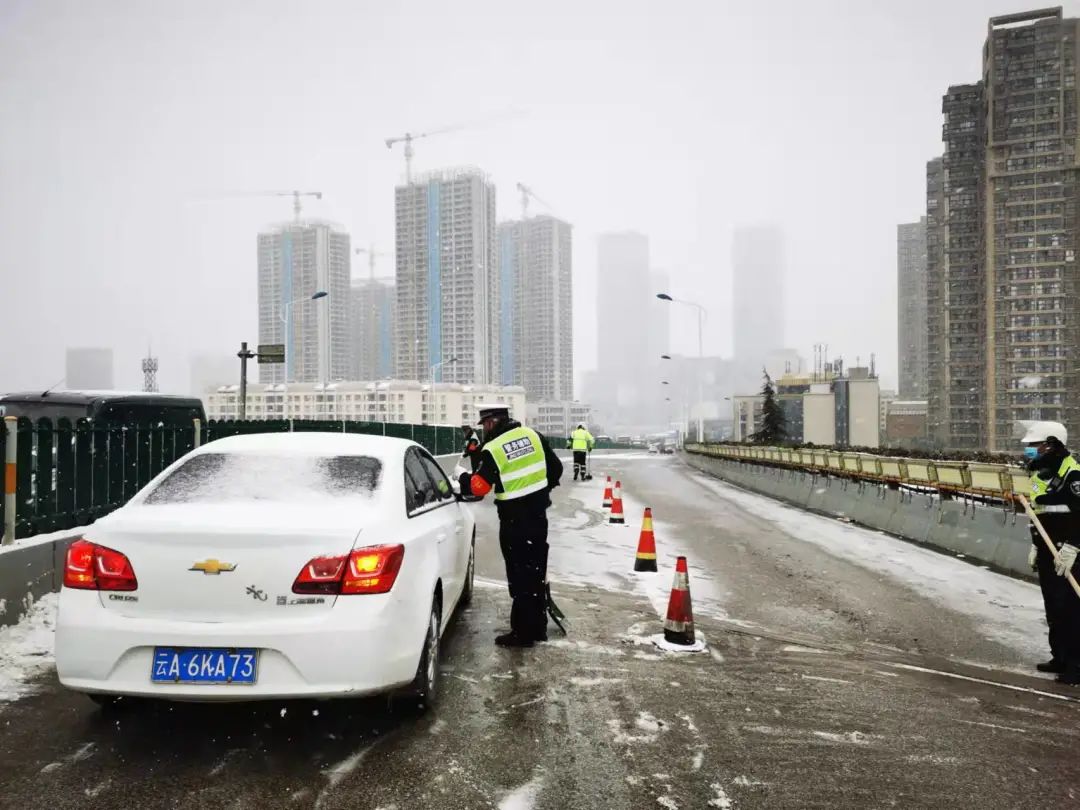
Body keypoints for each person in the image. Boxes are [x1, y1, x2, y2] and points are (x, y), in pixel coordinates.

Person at [459, 403, 563, 647]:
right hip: (538, 517)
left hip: (514, 521)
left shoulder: (494, 448)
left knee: (519, 575)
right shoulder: (532, 435)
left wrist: (462, 478)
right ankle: (538, 628)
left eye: (485, 425)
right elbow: (556, 469)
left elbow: (479, 487)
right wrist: (539, 492)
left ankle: (522, 633)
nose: (484, 429)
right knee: (535, 571)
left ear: (492, 422)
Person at [1023, 421, 1080, 684]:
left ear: (1052, 444)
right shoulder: (1040, 474)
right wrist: (1036, 543)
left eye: (1035, 445)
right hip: (1047, 547)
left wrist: (1074, 546)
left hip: (1070, 551)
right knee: (1054, 606)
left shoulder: (1073, 474)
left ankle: (1076, 664)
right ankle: (1060, 656)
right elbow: (1039, 513)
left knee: (1071, 608)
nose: (1031, 450)